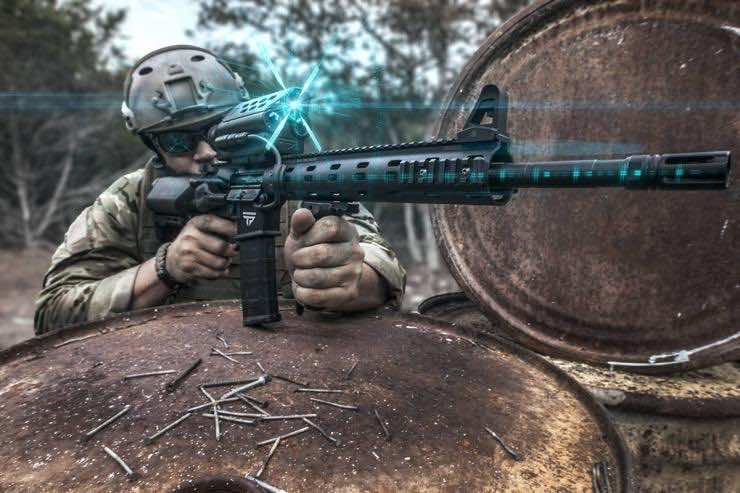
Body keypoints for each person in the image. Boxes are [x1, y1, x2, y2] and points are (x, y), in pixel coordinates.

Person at [34, 45, 406, 334]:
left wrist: (346, 277)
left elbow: (381, 265)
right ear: (153, 146)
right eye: (178, 142)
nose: (205, 152)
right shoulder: (129, 200)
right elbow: (52, 313)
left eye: (219, 129)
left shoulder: (296, 180)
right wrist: (164, 269)